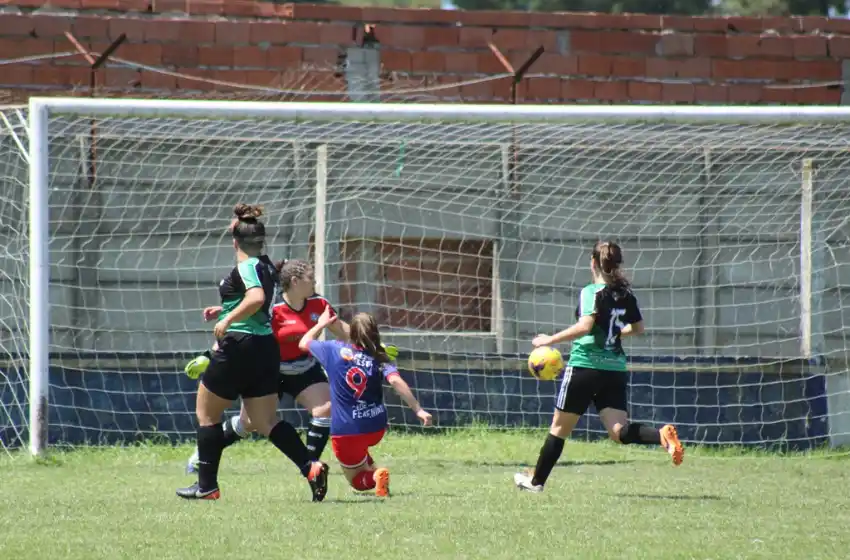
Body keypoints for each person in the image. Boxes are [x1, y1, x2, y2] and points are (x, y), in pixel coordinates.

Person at [183, 259, 399, 473]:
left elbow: (343, 330)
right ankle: (203, 453)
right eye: (310, 278)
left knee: (325, 408)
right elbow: (242, 327)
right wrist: (210, 356)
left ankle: (311, 467)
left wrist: (374, 347)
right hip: (270, 370)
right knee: (248, 423)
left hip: (304, 368)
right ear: (295, 281)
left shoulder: (319, 305)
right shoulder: (273, 308)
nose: (315, 282)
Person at [176, 204, 328, 502]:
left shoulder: (246, 267)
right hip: (265, 348)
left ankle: (207, 486)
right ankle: (310, 467)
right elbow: (261, 301)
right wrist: (226, 309)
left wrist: (227, 320)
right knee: (265, 421)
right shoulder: (268, 266)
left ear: (235, 242)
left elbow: (256, 298)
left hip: (239, 346)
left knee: (207, 414)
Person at [514, 241, 684, 494]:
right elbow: (638, 328)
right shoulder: (626, 295)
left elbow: (585, 326)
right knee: (618, 431)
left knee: (559, 429)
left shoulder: (592, 291)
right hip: (613, 370)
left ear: (593, 262)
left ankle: (536, 482)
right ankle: (660, 435)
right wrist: (614, 334)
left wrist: (549, 340)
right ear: (617, 265)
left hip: (585, 366)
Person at [299, 308, 432, 497]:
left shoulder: (332, 349)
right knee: (359, 451)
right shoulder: (379, 356)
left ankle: (375, 477)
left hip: (347, 430)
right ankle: (374, 472)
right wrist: (418, 410)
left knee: (356, 482)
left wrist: (321, 324)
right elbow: (395, 381)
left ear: (351, 332)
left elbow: (303, 343)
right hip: (376, 426)